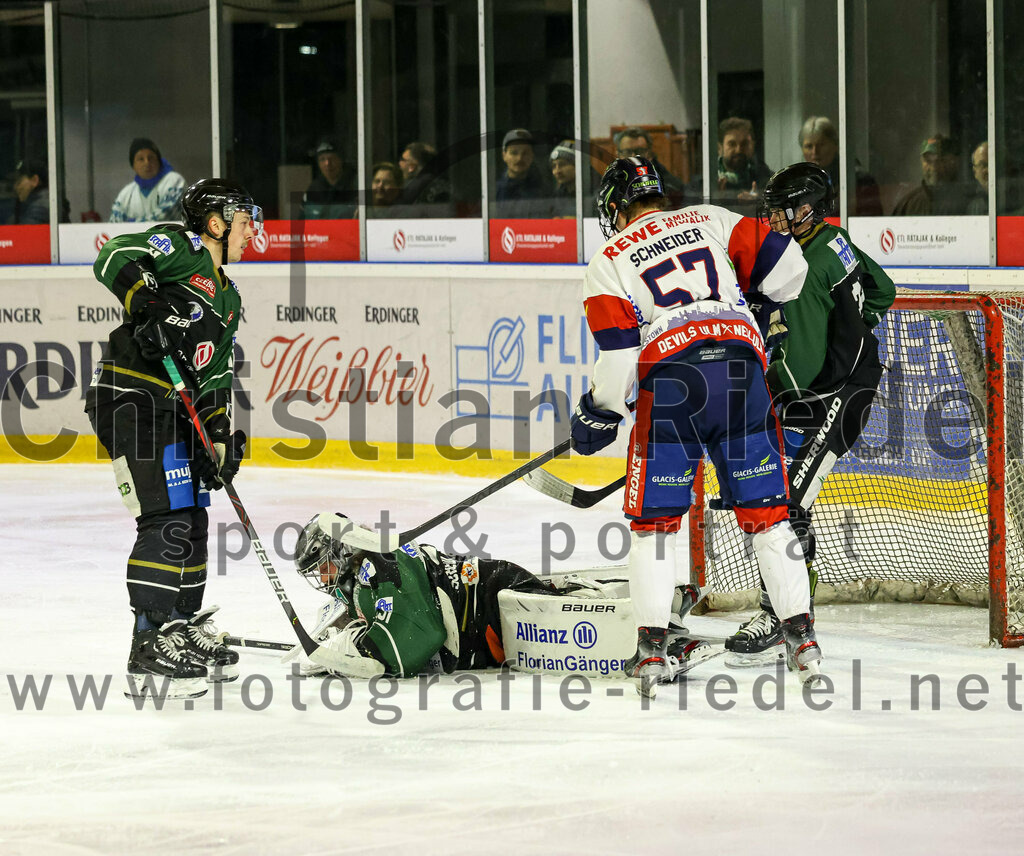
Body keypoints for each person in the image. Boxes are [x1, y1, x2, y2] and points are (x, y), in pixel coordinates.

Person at [572, 156, 820, 696]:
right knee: (770, 518)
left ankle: (653, 652)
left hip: (673, 382)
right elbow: (791, 271)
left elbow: (618, 360)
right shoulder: (709, 217)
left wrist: (600, 410)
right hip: (740, 370)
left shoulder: (608, 257)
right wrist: (746, 305)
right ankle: (802, 639)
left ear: (614, 207)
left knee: (655, 527)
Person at [86, 179, 262, 700]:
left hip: (174, 412)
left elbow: (213, 377)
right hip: (130, 397)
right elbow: (114, 256)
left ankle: (180, 627)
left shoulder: (227, 299)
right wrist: (145, 304)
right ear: (216, 223)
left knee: (192, 515)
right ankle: (148, 641)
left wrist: (218, 438)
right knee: (164, 514)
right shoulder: (180, 250)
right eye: (244, 220)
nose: (252, 231)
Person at [723, 162, 896, 666]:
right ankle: (791, 603)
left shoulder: (800, 267)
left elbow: (796, 369)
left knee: (784, 503)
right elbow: (881, 290)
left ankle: (783, 619)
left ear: (809, 210)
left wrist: (761, 392)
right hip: (847, 385)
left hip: (831, 398)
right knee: (789, 497)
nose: (774, 219)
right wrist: (852, 338)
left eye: (783, 210)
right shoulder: (835, 239)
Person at [285, 513, 714, 678]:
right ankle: (659, 601)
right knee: (558, 600)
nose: (321, 577)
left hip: (496, 604)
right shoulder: (362, 577)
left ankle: (661, 626)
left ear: (341, 552)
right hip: (492, 605)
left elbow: (411, 646)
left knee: (569, 613)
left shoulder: (380, 567)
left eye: (321, 564)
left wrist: (356, 647)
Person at [798, 116, 882, 216]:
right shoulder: (798, 182)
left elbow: (869, 220)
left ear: (835, 145)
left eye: (821, 145)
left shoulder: (858, 179)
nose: (814, 152)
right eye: (809, 146)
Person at [690, 117, 773, 215]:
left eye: (744, 144)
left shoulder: (768, 181)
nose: (738, 150)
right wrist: (714, 203)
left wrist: (759, 206)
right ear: (719, 148)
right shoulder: (702, 184)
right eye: (732, 144)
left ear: (752, 146)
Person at [109, 137, 186, 223]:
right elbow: (114, 224)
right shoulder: (126, 193)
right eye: (140, 159)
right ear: (133, 165)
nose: (147, 163)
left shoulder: (174, 181)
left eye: (151, 158)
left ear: (159, 161)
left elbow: (166, 217)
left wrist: (130, 223)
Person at [891, 134, 972, 216]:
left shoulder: (970, 202)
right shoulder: (907, 204)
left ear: (955, 162)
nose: (934, 167)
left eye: (941, 160)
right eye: (928, 161)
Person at [614, 126, 685, 204]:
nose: (633, 157)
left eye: (640, 151)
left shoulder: (669, 185)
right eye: (627, 152)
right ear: (618, 156)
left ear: (649, 155)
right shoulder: (611, 182)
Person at [495, 128, 549, 213]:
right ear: (504, 156)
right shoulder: (493, 191)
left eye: (525, 153)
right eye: (514, 153)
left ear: (532, 156)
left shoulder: (544, 192)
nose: (520, 158)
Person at [302, 138, 357, 219]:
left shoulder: (355, 185)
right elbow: (302, 221)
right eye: (322, 159)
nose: (327, 163)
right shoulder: (313, 189)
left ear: (341, 160)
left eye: (332, 158)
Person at [396, 141, 451, 206]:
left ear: (412, 166)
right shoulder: (445, 184)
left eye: (403, 160)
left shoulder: (414, 190)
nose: (399, 163)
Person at [9, 159, 49, 224]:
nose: (15, 187)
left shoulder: (40, 208)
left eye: (19, 181)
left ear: (34, 180)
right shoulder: (29, 205)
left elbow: (24, 232)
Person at [966, 141, 989, 216]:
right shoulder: (974, 207)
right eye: (983, 165)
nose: (988, 170)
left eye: (993, 164)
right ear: (975, 172)